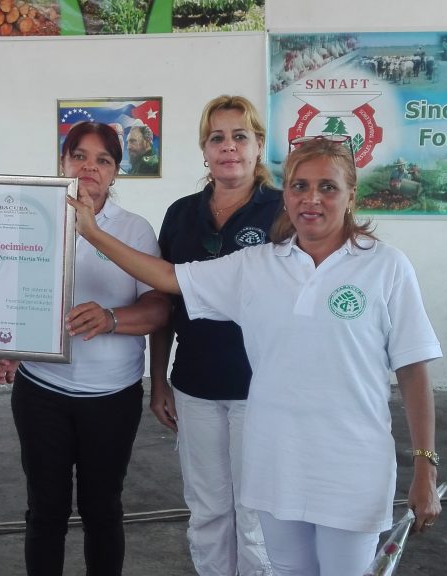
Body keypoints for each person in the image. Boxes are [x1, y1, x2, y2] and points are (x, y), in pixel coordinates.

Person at [69, 137, 443, 576]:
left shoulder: (386, 267)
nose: (312, 199)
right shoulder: (256, 266)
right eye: (300, 186)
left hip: (351, 470)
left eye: (328, 187)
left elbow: (413, 369)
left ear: (351, 194)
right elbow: (169, 277)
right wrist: (93, 232)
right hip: (276, 464)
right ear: (284, 194)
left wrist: (425, 466)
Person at [0, 121, 170, 576]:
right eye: (79, 156)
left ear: (116, 173)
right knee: (45, 510)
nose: (90, 166)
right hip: (41, 391)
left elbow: (158, 310)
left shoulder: (134, 229)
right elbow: (6, 293)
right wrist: (7, 346)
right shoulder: (30, 218)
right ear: (62, 162)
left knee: (102, 509)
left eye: (103, 159)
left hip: (112, 396)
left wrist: (111, 319)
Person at [151, 95, 279, 576]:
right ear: (204, 150)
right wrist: (158, 380)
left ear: (259, 146)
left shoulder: (283, 211)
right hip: (195, 384)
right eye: (217, 137)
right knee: (207, 512)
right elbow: (164, 304)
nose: (229, 147)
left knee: (255, 513)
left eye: (240, 136)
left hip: (260, 388)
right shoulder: (181, 214)